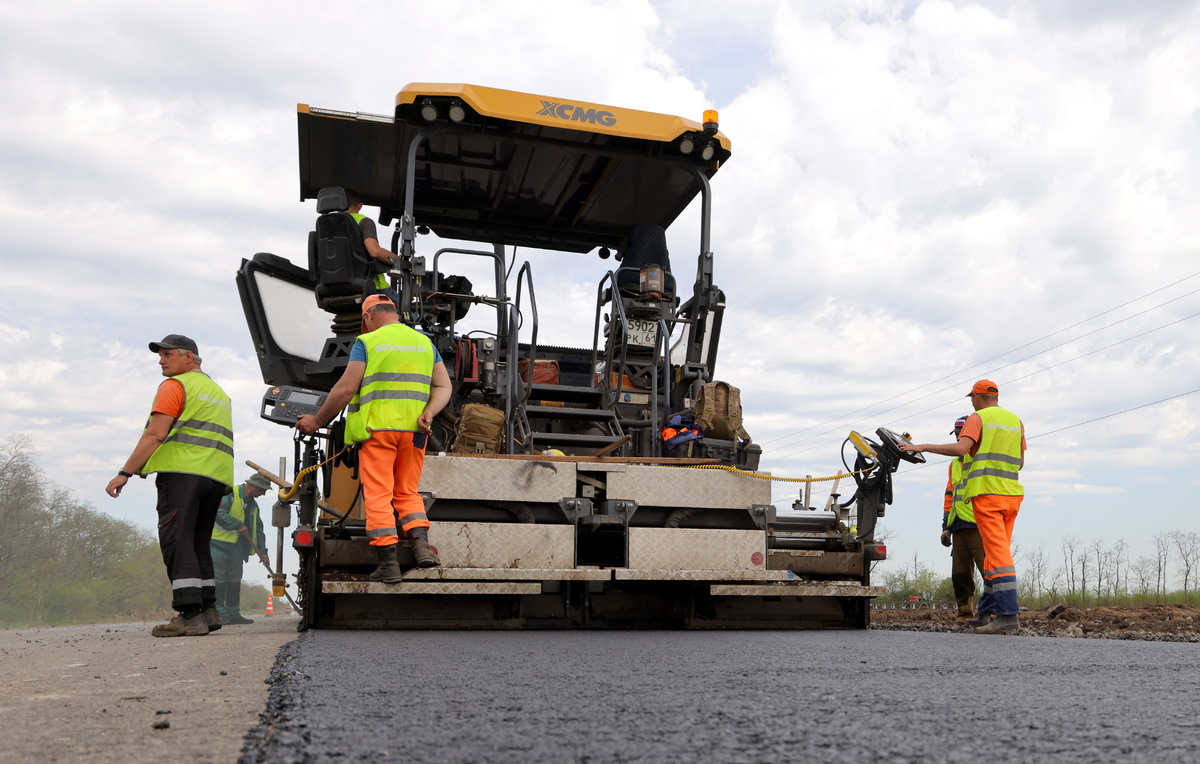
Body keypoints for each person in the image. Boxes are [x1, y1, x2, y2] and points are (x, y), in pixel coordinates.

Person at [295, 294, 452, 581]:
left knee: (379, 494)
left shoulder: (367, 342)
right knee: (407, 491)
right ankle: (422, 550)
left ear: (367, 318)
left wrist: (316, 421)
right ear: (394, 313)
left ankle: (388, 563)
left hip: (378, 431)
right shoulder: (424, 343)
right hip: (416, 433)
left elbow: (344, 390)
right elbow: (443, 385)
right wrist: (429, 412)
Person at [106, 335, 234, 637]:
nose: (161, 361)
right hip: (215, 477)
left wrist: (125, 472)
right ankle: (208, 610)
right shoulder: (218, 392)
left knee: (177, 540)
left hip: (183, 472)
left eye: (167, 354)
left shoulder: (175, 385)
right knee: (199, 542)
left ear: (189, 357)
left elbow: (155, 434)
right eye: (160, 355)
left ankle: (189, 615)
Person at [900, 379, 1025, 635]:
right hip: (1011, 496)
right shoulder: (1016, 421)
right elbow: (1020, 462)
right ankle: (983, 615)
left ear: (976, 398)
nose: (972, 402)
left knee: (999, 559)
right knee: (992, 557)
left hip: (987, 497)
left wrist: (922, 446)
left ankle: (1008, 617)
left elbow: (961, 448)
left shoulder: (977, 418)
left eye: (972, 399)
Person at [942, 415, 987, 625]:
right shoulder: (954, 463)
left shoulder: (980, 457)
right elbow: (950, 495)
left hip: (979, 524)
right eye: (958, 433)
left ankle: (994, 613)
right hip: (959, 526)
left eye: (963, 432)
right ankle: (964, 614)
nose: (960, 436)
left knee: (988, 572)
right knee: (960, 576)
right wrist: (946, 527)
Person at [210, 472, 272, 625]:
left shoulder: (253, 505)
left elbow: (258, 530)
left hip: (237, 548)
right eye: (263, 490)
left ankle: (233, 613)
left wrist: (263, 551)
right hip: (218, 544)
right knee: (219, 580)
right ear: (255, 486)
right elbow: (217, 511)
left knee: (233, 581)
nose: (263, 494)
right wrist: (237, 525)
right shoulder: (230, 494)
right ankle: (220, 613)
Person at [344, 187, 395, 293]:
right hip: (371, 286)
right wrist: (399, 260)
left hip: (336, 287)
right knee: (411, 309)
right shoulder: (364, 221)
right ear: (360, 205)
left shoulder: (325, 224)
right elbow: (375, 252)